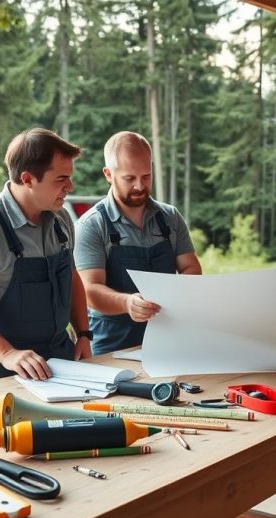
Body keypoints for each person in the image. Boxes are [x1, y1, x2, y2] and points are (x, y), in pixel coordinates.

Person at [0, 128, 92, 384]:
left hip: (61, 360)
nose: (70, 186)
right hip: (2, 368)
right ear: (27, 179)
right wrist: (7, 353)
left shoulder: (62, 219)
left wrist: (83, 334)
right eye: (60, 179)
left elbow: (72, 276)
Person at [74, 131, 201, 355]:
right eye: (129, 178)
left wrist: (175, 298)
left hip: (168, 335)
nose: (140, 186)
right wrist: (126, 303)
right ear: (108, 174)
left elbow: (191, 267)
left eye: (146, 176)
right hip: (112, 344)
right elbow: (89, 290)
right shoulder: (92, 225)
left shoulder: (170, 217)